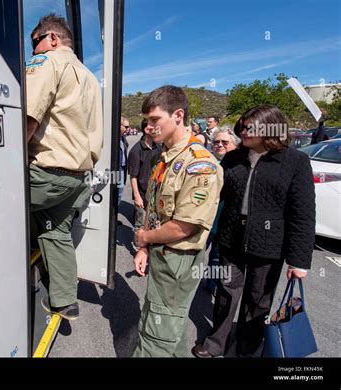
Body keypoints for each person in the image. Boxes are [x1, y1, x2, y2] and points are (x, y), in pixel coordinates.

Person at [192, 104, 315, 358]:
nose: (243, 131)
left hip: (269, 245)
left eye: (250, 127)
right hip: (231, 238)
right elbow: (216, 196)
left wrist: (299, 260)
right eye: (242, 126)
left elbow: (302, 214)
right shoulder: (234, 157)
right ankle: (217, 342)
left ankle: (247, 346)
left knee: (258, 301)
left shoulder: (295, 161)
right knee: (226, 292)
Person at [132, 85, 223, 357]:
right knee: (171, 326)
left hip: (178, 259)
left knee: (156, 336)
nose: (148, 127)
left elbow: (184, 226)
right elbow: (154, 205)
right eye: (146, 121)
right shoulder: (166, 158)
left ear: (178, 115)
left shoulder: (200, 165)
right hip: (162, 254)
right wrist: (145, 248)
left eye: (154, 120)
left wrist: (144, 238)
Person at [25, 13, 103, 321]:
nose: (33, 51)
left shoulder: (48, 62)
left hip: (45, 175)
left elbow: (28, 118)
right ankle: (64, 300)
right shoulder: (89, 77)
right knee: (54, 230)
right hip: (77, 179)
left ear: (53, 39)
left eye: (35, 42)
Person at [204, 125, 240, 295]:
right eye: (216, 141)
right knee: (193, 254)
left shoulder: (240, 166)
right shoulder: (205, 163)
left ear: (235, 143)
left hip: (226, 223)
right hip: (205, 220)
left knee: (217, 258)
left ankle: (211, 285)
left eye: (224, 142)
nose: (219, 145)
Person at [127, 119, 162, 243]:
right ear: (147, 130)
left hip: (155, 194)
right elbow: (133, 176)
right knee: (140, 224)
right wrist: (137, 196)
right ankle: (139, 247)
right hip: (142, 194)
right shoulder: (136, 151)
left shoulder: (159, 147)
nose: (159, 130)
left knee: (153, 224)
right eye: (156, 128)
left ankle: (149, 246)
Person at [118, 117, 130, 206]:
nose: (128, 129)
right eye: (126, 126)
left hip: (122, 169)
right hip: (115, 171)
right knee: (117, 193)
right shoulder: (112, 139)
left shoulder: (123, 139)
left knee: (120, 192)